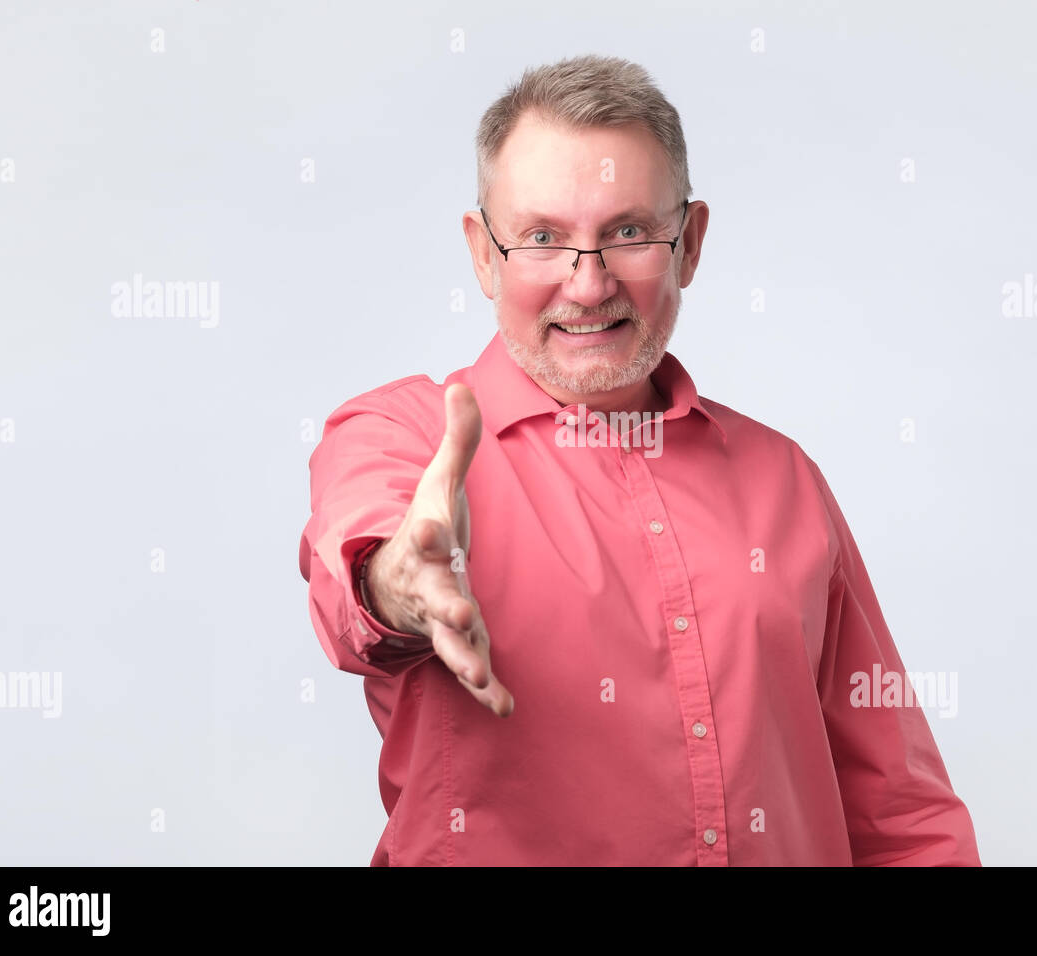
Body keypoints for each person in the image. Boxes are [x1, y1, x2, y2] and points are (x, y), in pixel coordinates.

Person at [298, 54, 981, 866]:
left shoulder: (783, 477)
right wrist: (401, 586)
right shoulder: (402, 439)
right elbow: (359, 587)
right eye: (543, 239)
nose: (588, 287)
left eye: (627, 233)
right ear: (483, 254)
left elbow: (898, 810)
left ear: (689, 244)